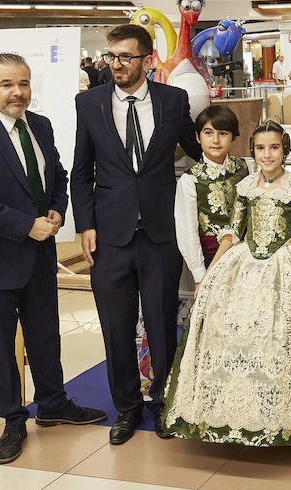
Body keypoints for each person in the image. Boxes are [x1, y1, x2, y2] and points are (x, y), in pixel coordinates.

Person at [0, 54, 106, 463]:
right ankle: (13, 419)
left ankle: (53, 403)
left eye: (24, 83)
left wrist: (55, 210)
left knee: (45, 335)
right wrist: (25, 225)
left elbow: (58, 176)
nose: (18, 92)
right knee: (0, 346)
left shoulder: (40, 125)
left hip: (37, 252)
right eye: (6, 85)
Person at [161, 121, 291, 445]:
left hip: (285, 263)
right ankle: (229, 415)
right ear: (253, 152)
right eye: (260, 148)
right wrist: (208, 275)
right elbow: (232, 234)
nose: (267, 155)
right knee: (229, 328)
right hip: (245, 262)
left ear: (285, 150)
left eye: (274, 148)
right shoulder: (246, 187)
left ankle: (279, 416)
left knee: (278, 334)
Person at [72, 23, 201, 445]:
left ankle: (164, 402)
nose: (116, 65)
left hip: (161, 232)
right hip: (109, 234)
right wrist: (85, 225)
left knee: (163, 322)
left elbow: (199, 151)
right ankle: (126, 408)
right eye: (112, 56)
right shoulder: (88, 103)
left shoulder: (173, 99)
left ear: (147, 61)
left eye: (126, 57)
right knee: (116, 325)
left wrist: (238, 170)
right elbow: (82, 170)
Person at [174, 105, 251, 289]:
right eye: (208, 133)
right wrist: (200, 275)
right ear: (197, 137)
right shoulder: (190, 180)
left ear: (233, 136)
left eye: (223, 133)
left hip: (247, 259)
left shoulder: (245, 168)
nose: (215, 140)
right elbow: (187, 233)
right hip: (212, 263)